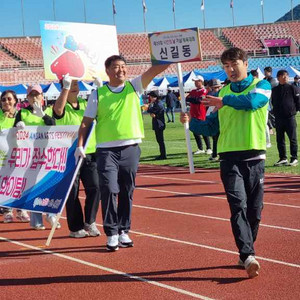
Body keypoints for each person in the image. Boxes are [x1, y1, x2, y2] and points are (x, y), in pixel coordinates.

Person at [181, 47, 271, 278]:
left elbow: (253, 102)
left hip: (255, 156)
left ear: (245, 63)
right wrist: (190, 122)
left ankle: (245, 254)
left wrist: (225, 101)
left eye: (234, 64)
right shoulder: (221, 96)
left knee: (255, 211)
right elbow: (212, 127)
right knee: (237, 205)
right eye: (226, 66)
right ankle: (248, 254)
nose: (230, 70)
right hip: (229, 158)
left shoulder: (261, 86)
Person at [76, 55, 170, 251]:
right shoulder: (98, 94)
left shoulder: (134, 87)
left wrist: (170, 57)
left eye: (123, 66)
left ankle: (123, 230)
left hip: (130, 148)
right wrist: (80, 145)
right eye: (116, 67)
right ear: (108, 71)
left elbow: (154, 71)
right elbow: (86, 122)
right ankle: (111, 232)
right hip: (106, 150)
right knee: (109, 189)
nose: (121, 70)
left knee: (127, 190)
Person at [53, 77, 101, 238]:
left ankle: (90, 221)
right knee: (71, 192)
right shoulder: (61, 104)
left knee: (95, 187)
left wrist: (100, 90)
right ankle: (75, 227)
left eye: (75, 84)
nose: (74, 87)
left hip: (90, 152)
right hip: (69, 156)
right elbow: (57, 112)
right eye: (70, 84)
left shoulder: (86, 104)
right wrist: (65, 89)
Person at [14, 84, 60, 230]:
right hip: (30, 156)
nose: (34, 97)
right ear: (27, 97)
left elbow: (54, 126)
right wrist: (18, 126)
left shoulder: (49, 110)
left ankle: (51, 214)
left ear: (42, 96)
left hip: (48, 154)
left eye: (37, 94)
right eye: (31, 95)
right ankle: (36, 219)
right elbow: (14, 131)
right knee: (33, 187)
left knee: (50, 184)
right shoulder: (22, 113)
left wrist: (44, 116)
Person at [0, 90, 30, 223]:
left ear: (15, 101)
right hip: (2, 156)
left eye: (9, 99)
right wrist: (4, 117)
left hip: (19, 155)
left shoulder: (21, 115)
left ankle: (20, 209)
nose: (6, 102)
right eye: (4, 99)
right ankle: (7, 210)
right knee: (4, 182)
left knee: (20, 182)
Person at [271, 70, 299, 167]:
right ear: (278, 77)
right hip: (278, 117)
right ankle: (283, 158)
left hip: (289, 117)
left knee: (292, 138)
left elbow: (297, 101)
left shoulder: (293, 88)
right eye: (283, 76)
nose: (285, 77)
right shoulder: (274, 90)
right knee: (280, 139)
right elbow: (273, 102)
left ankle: (294, 158)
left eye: (286, 76)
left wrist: (293, 110)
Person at [186, 75, 212, 155]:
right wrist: (194, 99)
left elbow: (200, 100)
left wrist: (193, 99)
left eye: (197, 81)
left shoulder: (204, 90)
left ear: (201, 81)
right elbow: (187, 98)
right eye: (195, 82)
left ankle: (208, 148)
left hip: (201, 113)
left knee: (204, 131)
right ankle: (200, 148)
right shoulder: (194, 91)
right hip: (193, 114)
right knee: (195, 131)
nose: (195, 83)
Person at [145, 90, 167, 160]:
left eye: (151, 97)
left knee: (160, 140)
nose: (150, 98)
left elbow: (151, 111)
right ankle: (162, 154)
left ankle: (163, 155)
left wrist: (150, 106)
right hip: (158, 123)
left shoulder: (158, 104)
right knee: (159, 140)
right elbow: (151, 112)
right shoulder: (157, 103)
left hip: (159, 124)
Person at [207, 79, 223, 161]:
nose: (216, 90)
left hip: (222, 119)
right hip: (215, 119)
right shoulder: (212, 96)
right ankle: (215, 154)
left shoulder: (222, 94)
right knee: (215, 138)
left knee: (220, 138)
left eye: (217, 87)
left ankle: (219, 154)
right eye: (214, 88)